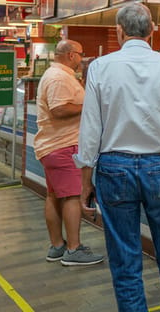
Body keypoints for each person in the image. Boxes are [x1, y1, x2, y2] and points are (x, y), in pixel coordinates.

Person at [76, 3, 160, 312]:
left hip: (114, 169)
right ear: (152, 30)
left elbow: (91, 128)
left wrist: (85, 181)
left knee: (125, 259)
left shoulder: (100, 67)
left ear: (119, 31)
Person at [36, 40, 103, 266]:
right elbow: (59, 108)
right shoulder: (59, 78)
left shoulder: (58, 75)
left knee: (54, 196)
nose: (82, 59)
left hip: (53, 146)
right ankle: (74, 250)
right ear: (72, 55)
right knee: (72, 197)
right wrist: (90, 106)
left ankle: (57, 246)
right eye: (81, 55)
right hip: (63, 145)